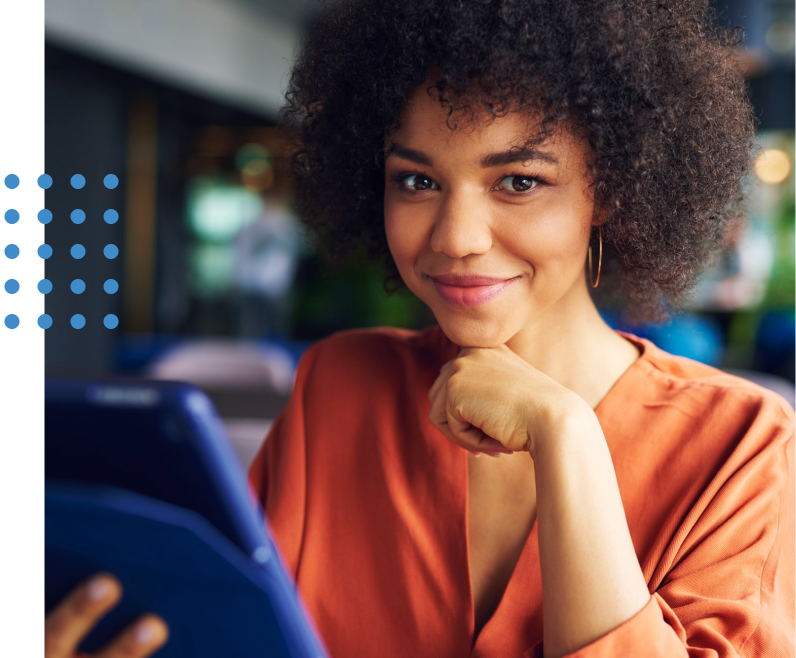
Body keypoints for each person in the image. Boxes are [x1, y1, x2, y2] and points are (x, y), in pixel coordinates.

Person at [44, 1, 796, 657]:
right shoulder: (339, 388)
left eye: (520, 181)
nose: (456, 235)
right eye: (418, 180)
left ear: (611, 188)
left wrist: (565, 434)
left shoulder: (742, 441)